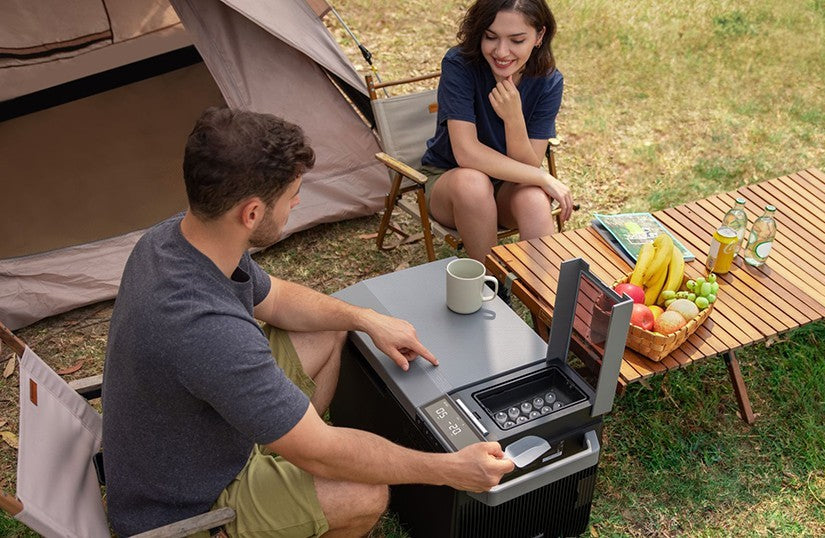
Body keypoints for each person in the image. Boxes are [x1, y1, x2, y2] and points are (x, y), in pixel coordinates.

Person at [101, 107, 515, 537]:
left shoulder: (175, 239)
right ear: (252, 213)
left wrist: (365, 318)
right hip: (187, 507)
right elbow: (323, 453)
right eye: (292, 194)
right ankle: (281, 463)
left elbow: (276, 298)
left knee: (330, 325)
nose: (297, 202)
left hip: (201, 436)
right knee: (365, 495)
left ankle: (287, 438)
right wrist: (450, 468)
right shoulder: (207, 330)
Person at [421, 0, 573, 262]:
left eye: (516, 40)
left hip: (507, 186)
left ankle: (544, 295)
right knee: (473, 183)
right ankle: (492, 284)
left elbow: (527, 166)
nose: (502, 52)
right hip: (452, 184)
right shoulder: (460, 66)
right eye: (491, 37)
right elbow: (466, 154)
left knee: (534, 199)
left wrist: (513, 119)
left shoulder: (548, 82)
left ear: (539, 36)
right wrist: (545, 178)